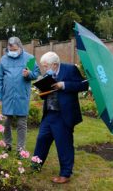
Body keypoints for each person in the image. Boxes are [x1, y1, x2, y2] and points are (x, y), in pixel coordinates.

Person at [33, 51, 89, 183]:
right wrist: (42, 90)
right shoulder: (48, 74)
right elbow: (46, 93)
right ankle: (35, 165)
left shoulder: (70, 69)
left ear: (54, 64)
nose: (44, 69)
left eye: (46, 66)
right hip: (49, 113)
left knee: (63, 144)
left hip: (63, 115)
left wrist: (63, 85)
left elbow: (83, 85)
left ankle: (65, 174)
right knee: (42, 139)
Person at [0, 37, 40, 153]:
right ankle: (7, 144)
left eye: (15, 50)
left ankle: (21, 148)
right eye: (11, 50)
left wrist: (29, 74)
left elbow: (36, 73)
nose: (13, 52)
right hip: (7, 96)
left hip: (22, 96)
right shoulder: (3, 60)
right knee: (6, 122)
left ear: (20, 47)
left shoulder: (29, 58)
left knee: (21, 123)